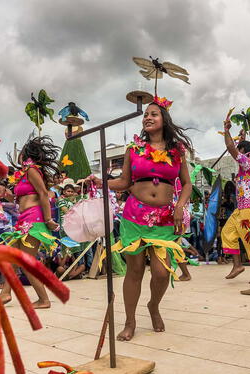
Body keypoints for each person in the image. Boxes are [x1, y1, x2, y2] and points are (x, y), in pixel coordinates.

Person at [89, 96, 192, 341]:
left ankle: (153, 306)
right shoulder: (133, 149)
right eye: (146, 114)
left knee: (161, 272)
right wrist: (101, 181)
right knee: (134, 271)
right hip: (134, 216)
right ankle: (130, 321)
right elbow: (124, 183)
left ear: (164, 119)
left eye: (153, 114)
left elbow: (186, 184)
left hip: (165, 219)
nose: (147, 117)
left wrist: (180, 206)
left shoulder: (177, 151)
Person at [0, 136, 61, 309]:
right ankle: (5, 293)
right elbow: (20, 199)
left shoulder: (32, 169)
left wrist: (48, 219)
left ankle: (43, 299)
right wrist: (6, 194)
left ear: (26, 154)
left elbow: (42, 193)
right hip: (24, 218)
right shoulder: (24, 174)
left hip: (35, 218)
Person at [220, 121, 250, 283]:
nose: (237, 154)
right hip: (242, 208)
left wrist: (226, 131)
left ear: (244, 151)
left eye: (240, 149)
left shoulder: (247, 160)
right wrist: (242, 137)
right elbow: (237, 149)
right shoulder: (247, 163)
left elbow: (232, 149)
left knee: (249, 239)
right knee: (227, 232)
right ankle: (237, 265)